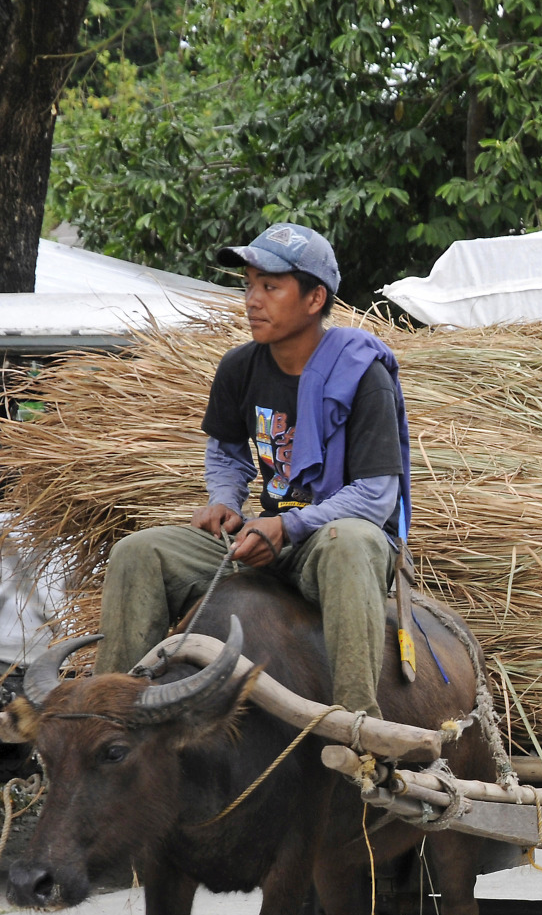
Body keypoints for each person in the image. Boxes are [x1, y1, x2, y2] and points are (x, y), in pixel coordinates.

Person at [95, 223, 410, 718]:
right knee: (138, 553)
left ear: (314, 299)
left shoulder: (362, 375)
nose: (251, 300)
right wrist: (223, 499)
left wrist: (287, 525)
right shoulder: (239, 368)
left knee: (349, 541)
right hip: (266, 534)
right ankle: (111, 717)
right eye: (248, 285)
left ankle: (357, 726)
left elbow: (375, 496)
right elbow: (226, 452)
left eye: (270, 286)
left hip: (331, 542)